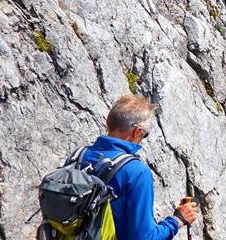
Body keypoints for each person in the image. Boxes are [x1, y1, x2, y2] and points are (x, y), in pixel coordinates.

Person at [79, 95, 199, 240]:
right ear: (137, 132)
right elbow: (145, 237)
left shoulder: (78, 156)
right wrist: (178, 220)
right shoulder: (136, 172)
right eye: (145, 135)